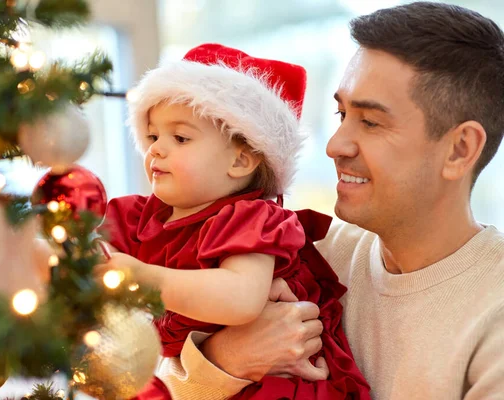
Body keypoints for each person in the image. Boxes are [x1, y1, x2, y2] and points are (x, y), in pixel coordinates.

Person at [154, 2, 504, 399]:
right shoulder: (305, 257)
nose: (335, 145)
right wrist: (227, 359)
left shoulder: (495, 315)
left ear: (460, 149)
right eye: (341, 114)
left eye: (370, 122)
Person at [100, 43, 370, 399]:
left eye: (180, 138)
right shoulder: (139, 217)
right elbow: (78, 251)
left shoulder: (252, 220)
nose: (156, 149)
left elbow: (240, 300)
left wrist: (138, 276)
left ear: (241, 162)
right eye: (152, 136)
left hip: (280, 388)